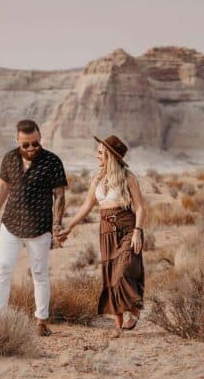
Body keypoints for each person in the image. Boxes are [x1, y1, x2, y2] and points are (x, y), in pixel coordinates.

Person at [60, 134, 145, 338]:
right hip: (106, 230)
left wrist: (138, 232)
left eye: (100, 152)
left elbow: (141, 208)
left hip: (126, 228)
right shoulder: (97, 178)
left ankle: (134, 310)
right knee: (110, 276)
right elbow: (87, 205)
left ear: (110, 155)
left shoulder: (128, 178)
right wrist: (69, 227)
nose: (96, 156)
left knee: (121, 271)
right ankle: (118, 326)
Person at [0, 119, 68, 336]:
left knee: (39, 273)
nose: (31, 148)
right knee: (3, 271)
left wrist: (57, 225)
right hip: (11, 223)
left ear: (40, 137)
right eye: (26, 145)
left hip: (40, 227)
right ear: (18, 141)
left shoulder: (52, 161)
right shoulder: (9, 158)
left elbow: (59, 194)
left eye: (35, 143)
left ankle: (41, 321)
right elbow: (3, 185)